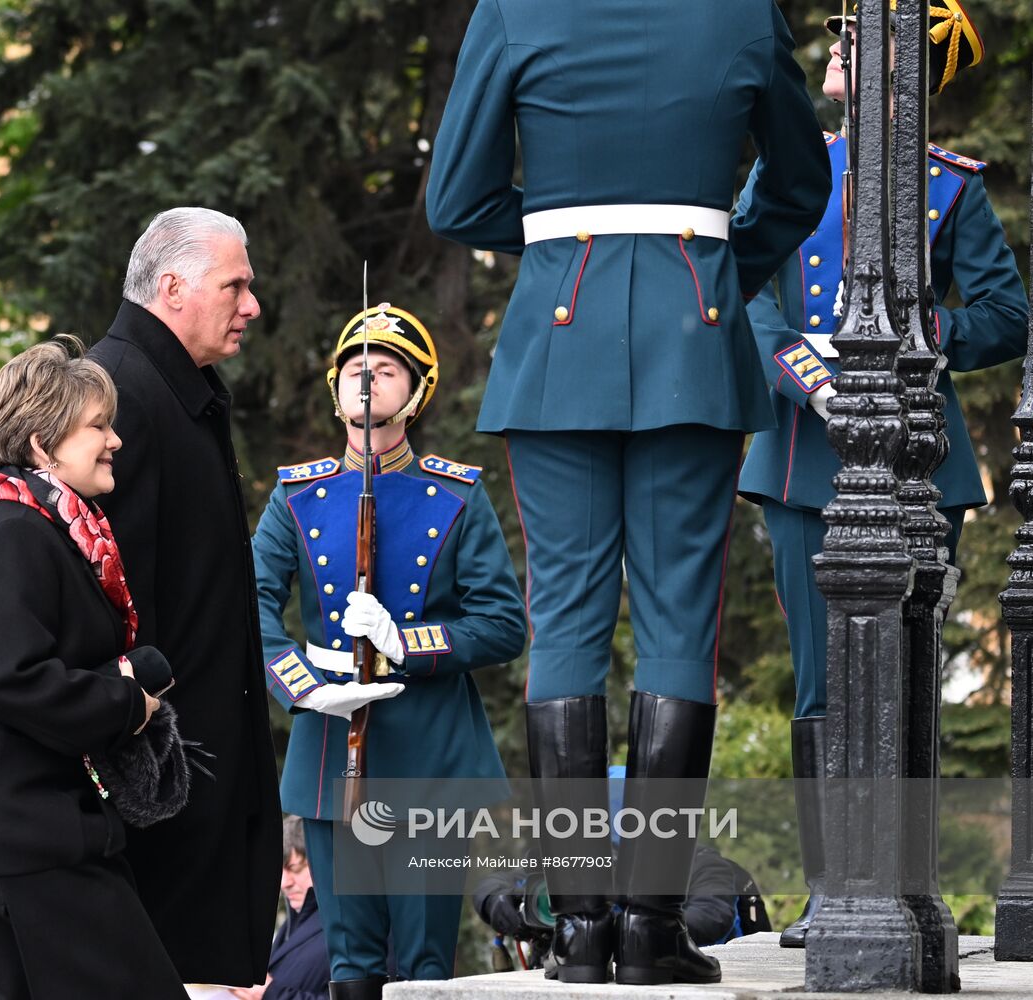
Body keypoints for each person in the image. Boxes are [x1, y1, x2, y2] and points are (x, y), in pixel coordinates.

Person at [425, 0, 831, 986]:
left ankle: (578, 930)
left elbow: (456, 199)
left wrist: (574, 242)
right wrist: (716, 263)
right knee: (680, 627)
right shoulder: (742, 15)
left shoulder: (515, 11)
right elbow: (801, 177)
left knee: (563, 620)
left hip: (560, 336)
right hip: (695, 323)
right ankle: (652, 927)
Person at [735, 0, 1028, 949]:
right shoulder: (790, 170)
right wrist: (813, 379)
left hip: (912, 456)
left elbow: (1001, 312)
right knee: (822, 681)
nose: (836, 46)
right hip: (802, 452)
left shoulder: (951, 189)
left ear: (913, 68)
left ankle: (905, 886)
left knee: (901, 679)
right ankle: (830, 891)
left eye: (861, 37)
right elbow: (748, 297)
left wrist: (918, 341)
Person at [0, 336, 187, 999]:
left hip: (1, 802)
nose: (115, 441)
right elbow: (12, 677)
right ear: (41, 446)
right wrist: (127, 703)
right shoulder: (17, 535)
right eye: (98, 427)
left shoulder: (47, 531)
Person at [251, 305, 527, 1000]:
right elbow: (244, 605)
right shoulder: (297, 495)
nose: (367, 382)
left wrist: (405, 641)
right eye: (354, 370)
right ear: (334, 389)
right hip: (328, 738)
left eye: (386, 369)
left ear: (419, 389)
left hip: (429, 746)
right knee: (349, 959)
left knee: (425, 962)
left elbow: (501, 623)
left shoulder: (457, 495)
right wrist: (305, 688)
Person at [89, 208, 282, 986]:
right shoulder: (121, 394)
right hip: (165, 782)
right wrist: (147, 748)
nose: (252, 306)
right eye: (235, 285)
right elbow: (111, 601)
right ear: (172, 288)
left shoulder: (179, 387)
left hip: (198, 763)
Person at [230, 816, 332, 1000]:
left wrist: (271, 993)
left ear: (324, 862)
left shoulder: (351, 925)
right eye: (279, 871)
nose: (284, 883)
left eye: (295, 867)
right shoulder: (294, 922)